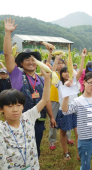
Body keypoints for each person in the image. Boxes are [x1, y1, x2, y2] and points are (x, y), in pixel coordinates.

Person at [3, 18, 56, 158]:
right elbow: (8, 54)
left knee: (35, 146)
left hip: (38, 120)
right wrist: (8, 33)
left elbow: (46, 99)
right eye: (27, 59)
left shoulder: (40, 78)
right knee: (19, 148)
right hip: (20, 119)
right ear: (21, 62)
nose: (31, 62)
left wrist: (51, 116)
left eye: (33, 59)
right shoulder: (16, 75)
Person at [0, 67, 51, 170]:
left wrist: (46, 78)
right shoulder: (1, 128)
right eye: (10, 106)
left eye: (18, 105)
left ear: (23, 107)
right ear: (1, 109)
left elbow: (45, 99)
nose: (15, 110)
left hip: (32, 166)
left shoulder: (28, 117)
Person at [55, 50, 85, 160]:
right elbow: (52, 72)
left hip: (76, 111)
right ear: (61, 74)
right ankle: (66, 152)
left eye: (68, 71)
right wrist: (57, 58)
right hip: (63, 111)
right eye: (64, 72)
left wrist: (82, 57)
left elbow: (81, 70)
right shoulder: (58, 84)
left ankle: (78, 154)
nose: (67, 73)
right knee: (63, 132)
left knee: (78, 134)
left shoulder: (74, 81)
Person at [48, 54, 75, 150]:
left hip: (66, 101)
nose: (60, 65)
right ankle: (52, 140)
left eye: (62, 63)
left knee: (67, 119)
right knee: (53, 119)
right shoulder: (55, 76)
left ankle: (68, 137)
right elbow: (51, 71)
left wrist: (67, 62)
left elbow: (71, 70)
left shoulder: (69, 77)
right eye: (58, 63)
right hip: (54, 100)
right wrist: (57, 59)